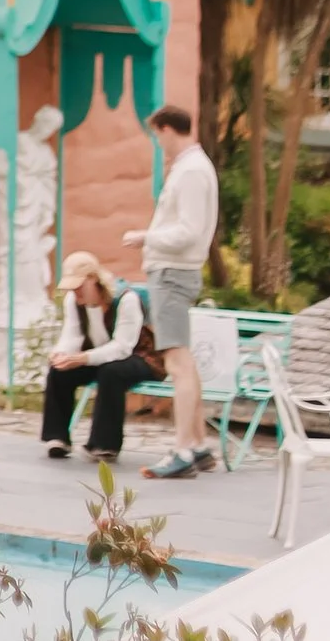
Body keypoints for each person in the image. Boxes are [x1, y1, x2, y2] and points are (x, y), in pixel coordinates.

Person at [122, 103, 219, 480]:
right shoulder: (191, 168)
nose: (157, 143)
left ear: (165, 129)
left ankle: (181, 450)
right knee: (185, 361)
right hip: (174, 272)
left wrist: (146, 236)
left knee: (176, 364)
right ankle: (196, 444)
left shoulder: (192, 171)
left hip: (173, 274)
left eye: (157, 135)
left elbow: (190, 231)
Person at [41, 251, 149, 460]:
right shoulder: (73, 300)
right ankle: (57, 438)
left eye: (80, 287)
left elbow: (123, 347)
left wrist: (82, 358)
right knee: (59, 371)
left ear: (93, 279)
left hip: (138, 357)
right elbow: (73, 334)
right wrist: (61, 354)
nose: (76, 293)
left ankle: (104, 445)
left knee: (112, 372)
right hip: (98, 356)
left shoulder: (126, 299)